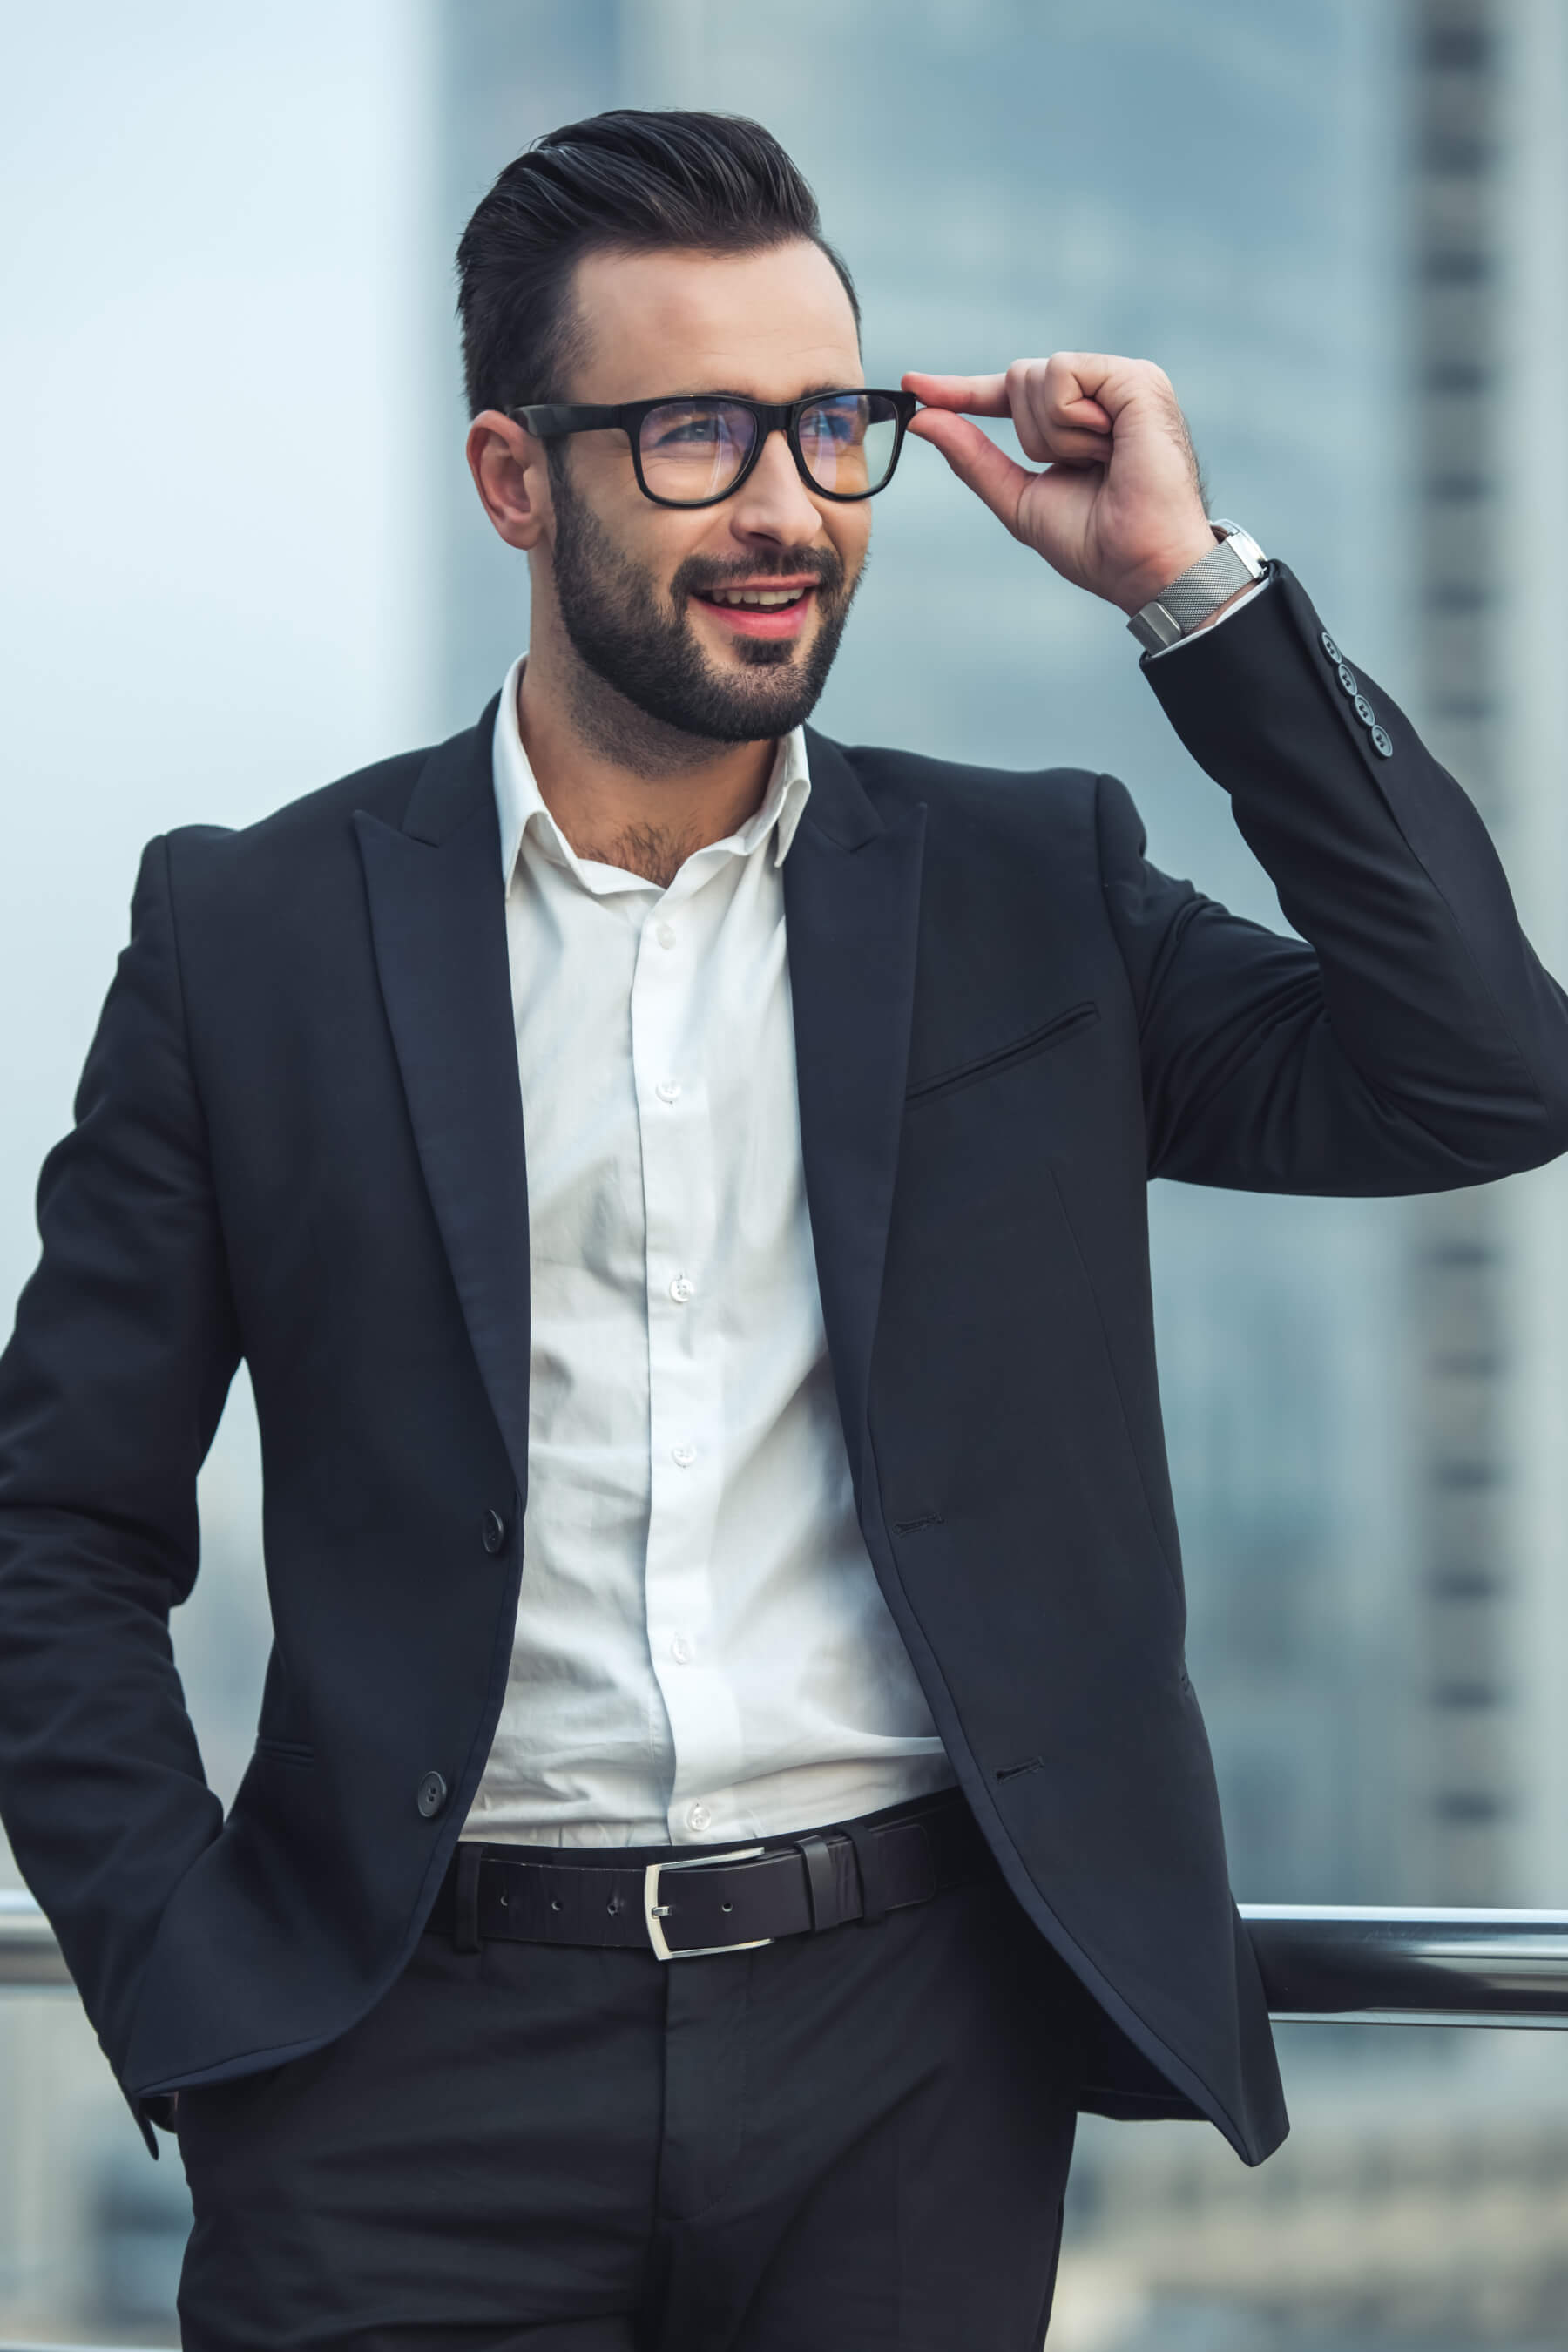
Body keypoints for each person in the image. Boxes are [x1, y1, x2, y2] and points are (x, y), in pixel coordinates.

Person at [1, 106, 1565, 2352]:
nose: (786, 508)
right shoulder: (251, 936)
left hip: (907, 2069)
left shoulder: (1033, 891)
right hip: (399, 2089)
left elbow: (1486, 1072)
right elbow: (55, 1522)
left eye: (831, 426)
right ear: (514, 478)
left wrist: (1189, 591)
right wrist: (184, 1978)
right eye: (696, 434)